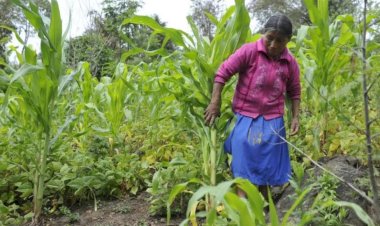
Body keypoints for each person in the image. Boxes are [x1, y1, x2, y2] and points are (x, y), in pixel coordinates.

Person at [204, 15, 301, 199]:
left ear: (288, 41)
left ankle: (263, 211)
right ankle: (244, 211)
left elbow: (294, 91)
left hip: (273, 121)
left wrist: (295, 117)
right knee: (244, 167)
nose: (273, 44)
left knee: (266, 169)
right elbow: (222, 73)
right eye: (269, 38)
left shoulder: (290, 62)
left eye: (279, 41)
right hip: (244, 117)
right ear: (263, 34)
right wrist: (214, 102)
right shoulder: (249, 51)